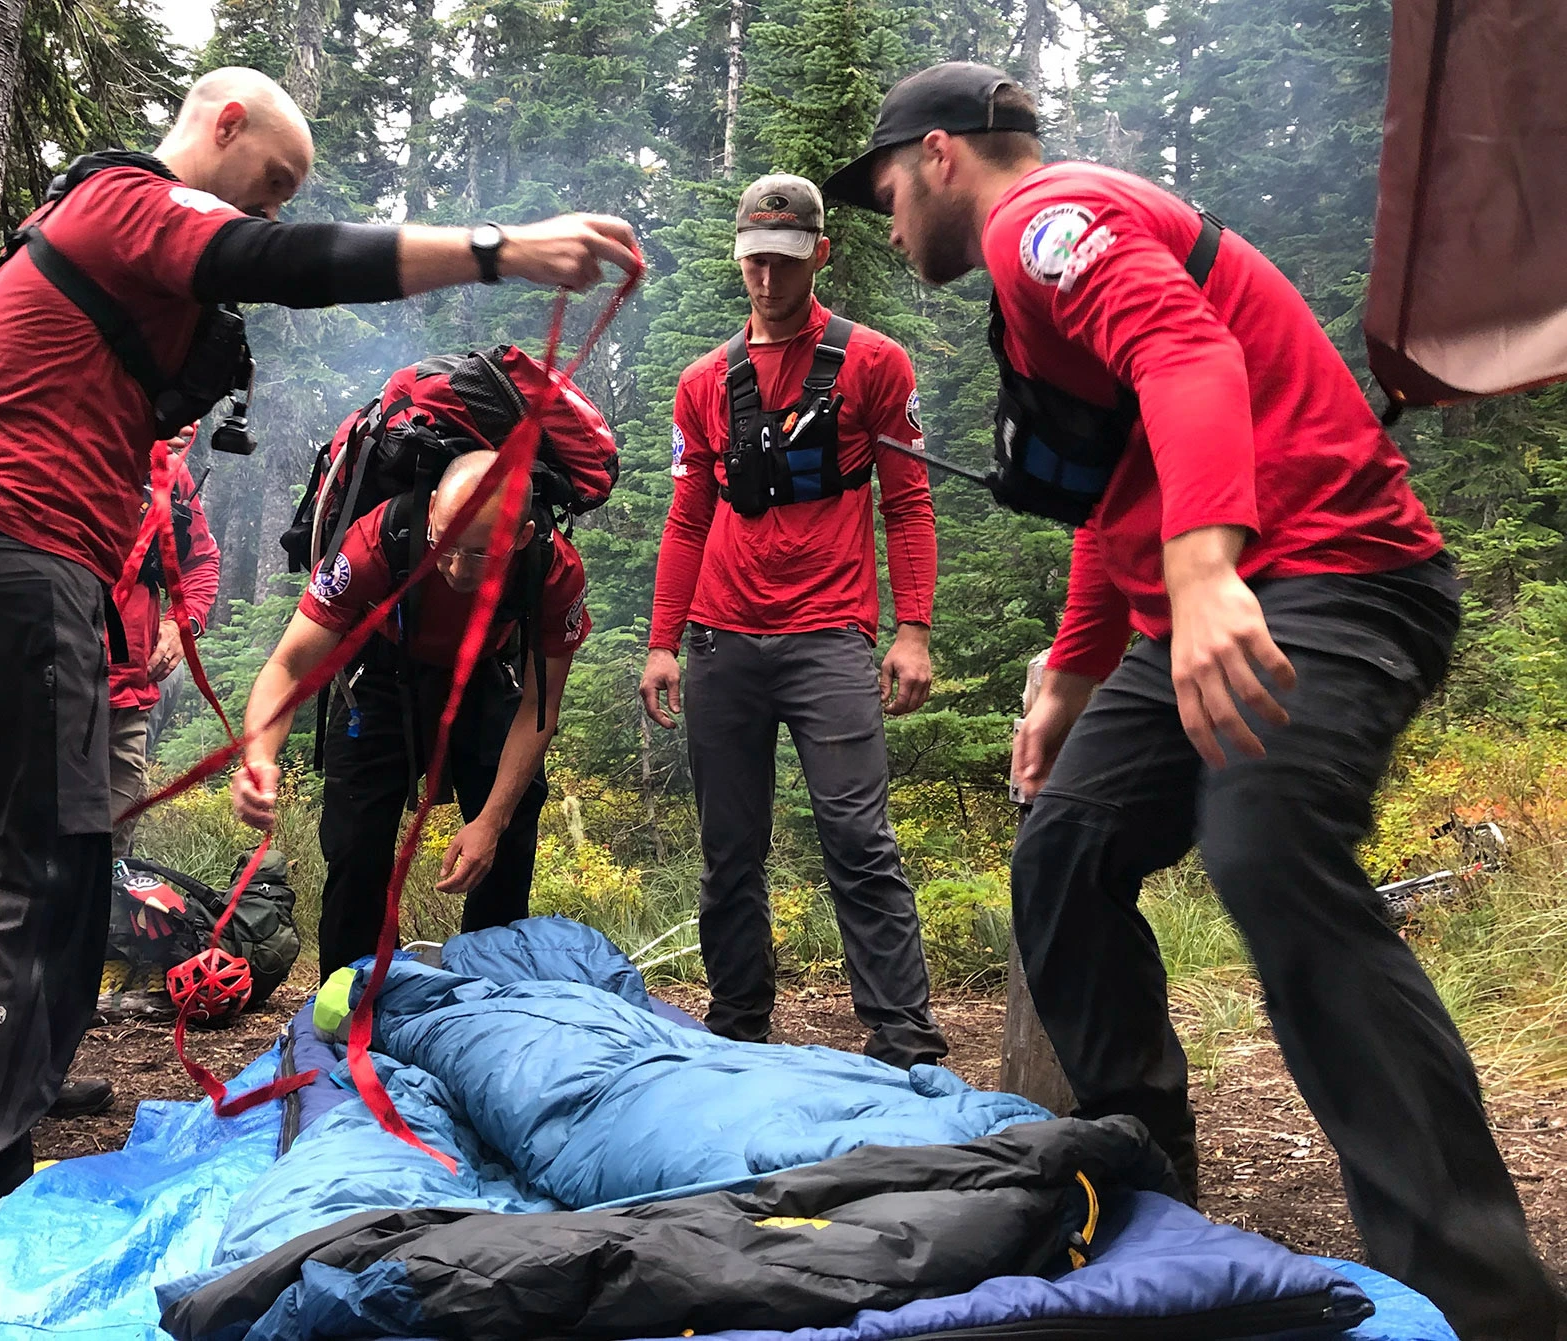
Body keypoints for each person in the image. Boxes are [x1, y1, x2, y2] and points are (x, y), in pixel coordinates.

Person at [824, 60, 1566, 1339]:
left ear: (938, 154)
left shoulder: (1046, 221)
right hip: (1199, 610)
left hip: (1335, 577)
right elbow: (1119, 486)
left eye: (882, 190)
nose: (883, 223)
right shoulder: (1035, 273)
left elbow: (1186, 352)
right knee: (1064, 854)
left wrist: (1207, 559)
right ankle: (1149, 1190)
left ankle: (1480, 1298)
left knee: (1264, 843)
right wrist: (1064, 676)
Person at [0, 64, 639, 1237]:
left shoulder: (78, 241)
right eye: (266, 181)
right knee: (45, 885)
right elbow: (278, 264)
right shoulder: (125, 203)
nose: (263, 212)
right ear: (222, 125)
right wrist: (501, 250)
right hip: (22, 575)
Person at [637, 174, 947, 1069]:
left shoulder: (875, 365)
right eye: (752, 263)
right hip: (722, 641)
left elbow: (910, 503)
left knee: (856, 833)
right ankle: (739, 1021)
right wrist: (663, 641)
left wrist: (913, 628)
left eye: (783, 261)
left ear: (819, 252)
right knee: (728, 847)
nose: (766, 281)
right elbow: (689, 515)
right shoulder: (703, 383)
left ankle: (904, 1036)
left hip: (830, 636)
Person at [0, 442, 223, 1120]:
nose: (185, 425)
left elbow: (200, 561)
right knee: (10, 875)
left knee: (82, 887)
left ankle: (33, 1066)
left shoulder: (172, 481)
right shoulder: (51, 433)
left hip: (121, 705)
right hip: (40, 686)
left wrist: (182, 619)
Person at [235, 451, 589, 976]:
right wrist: (259, 755)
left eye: (481, 554)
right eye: (444, 544)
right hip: (382, 672)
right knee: (356, 845)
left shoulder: (554, 570)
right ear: (429, 517)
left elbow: (540, 707)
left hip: (485, 675)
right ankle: (354, 996)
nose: (457, 569)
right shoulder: (379, 540)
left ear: (521, 536)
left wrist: (489, 822)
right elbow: (289, 666)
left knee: (509, 835)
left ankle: (491, 992)